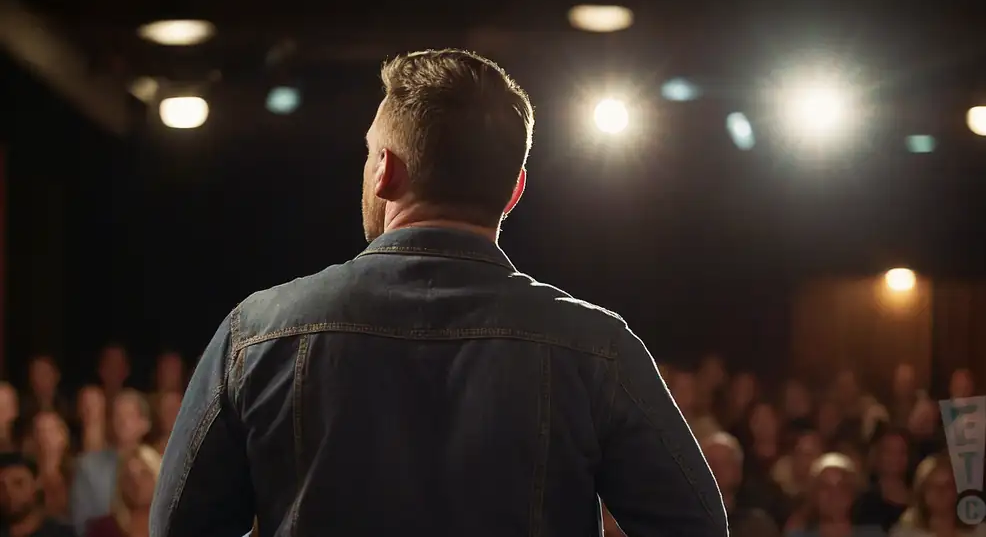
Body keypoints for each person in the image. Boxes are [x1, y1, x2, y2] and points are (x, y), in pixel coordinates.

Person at [151, 49, 727, 537]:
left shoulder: (258, 334)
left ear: (386, 171)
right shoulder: (597, 349)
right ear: (513, 191)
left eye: (371, 152)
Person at [70, 391, 151, 534]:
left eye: (129, 415)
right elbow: (80, 524)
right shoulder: (88, 467)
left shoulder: (157, 467)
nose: (122, 421)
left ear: (145, 424)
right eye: (117, 415)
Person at [0, 452, 75, 537]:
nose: (9, 492)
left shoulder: (62, 533)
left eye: (18, 483)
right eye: (1, 486)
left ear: (36, 485)